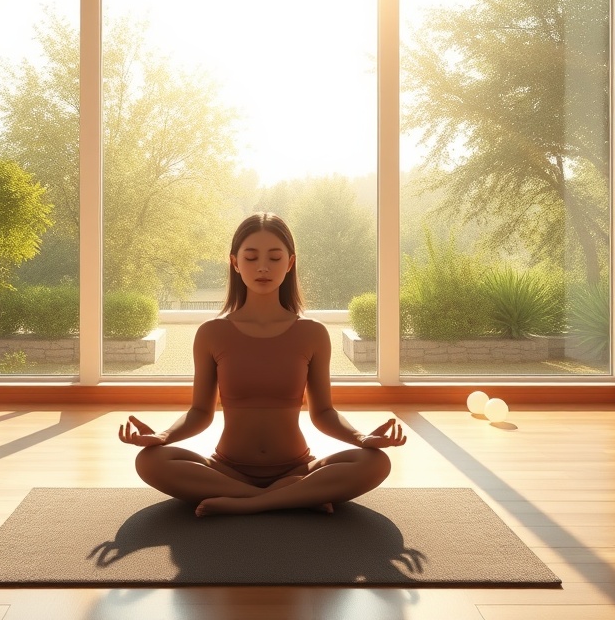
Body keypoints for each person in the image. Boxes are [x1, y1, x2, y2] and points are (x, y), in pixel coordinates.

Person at [118, 212, 406, 517]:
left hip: (298, 467)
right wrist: (162, 437)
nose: (263, 267)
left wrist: (362, 438)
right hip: (227, 469)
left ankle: (250, 503)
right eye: (252, 257)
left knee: (376, 462)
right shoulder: (211, 334)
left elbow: (323, 413)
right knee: (148, 460)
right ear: (235, 263)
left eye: (275, 257)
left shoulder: (313, 333)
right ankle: (295, 498)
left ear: (290, 263)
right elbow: (200, 413)